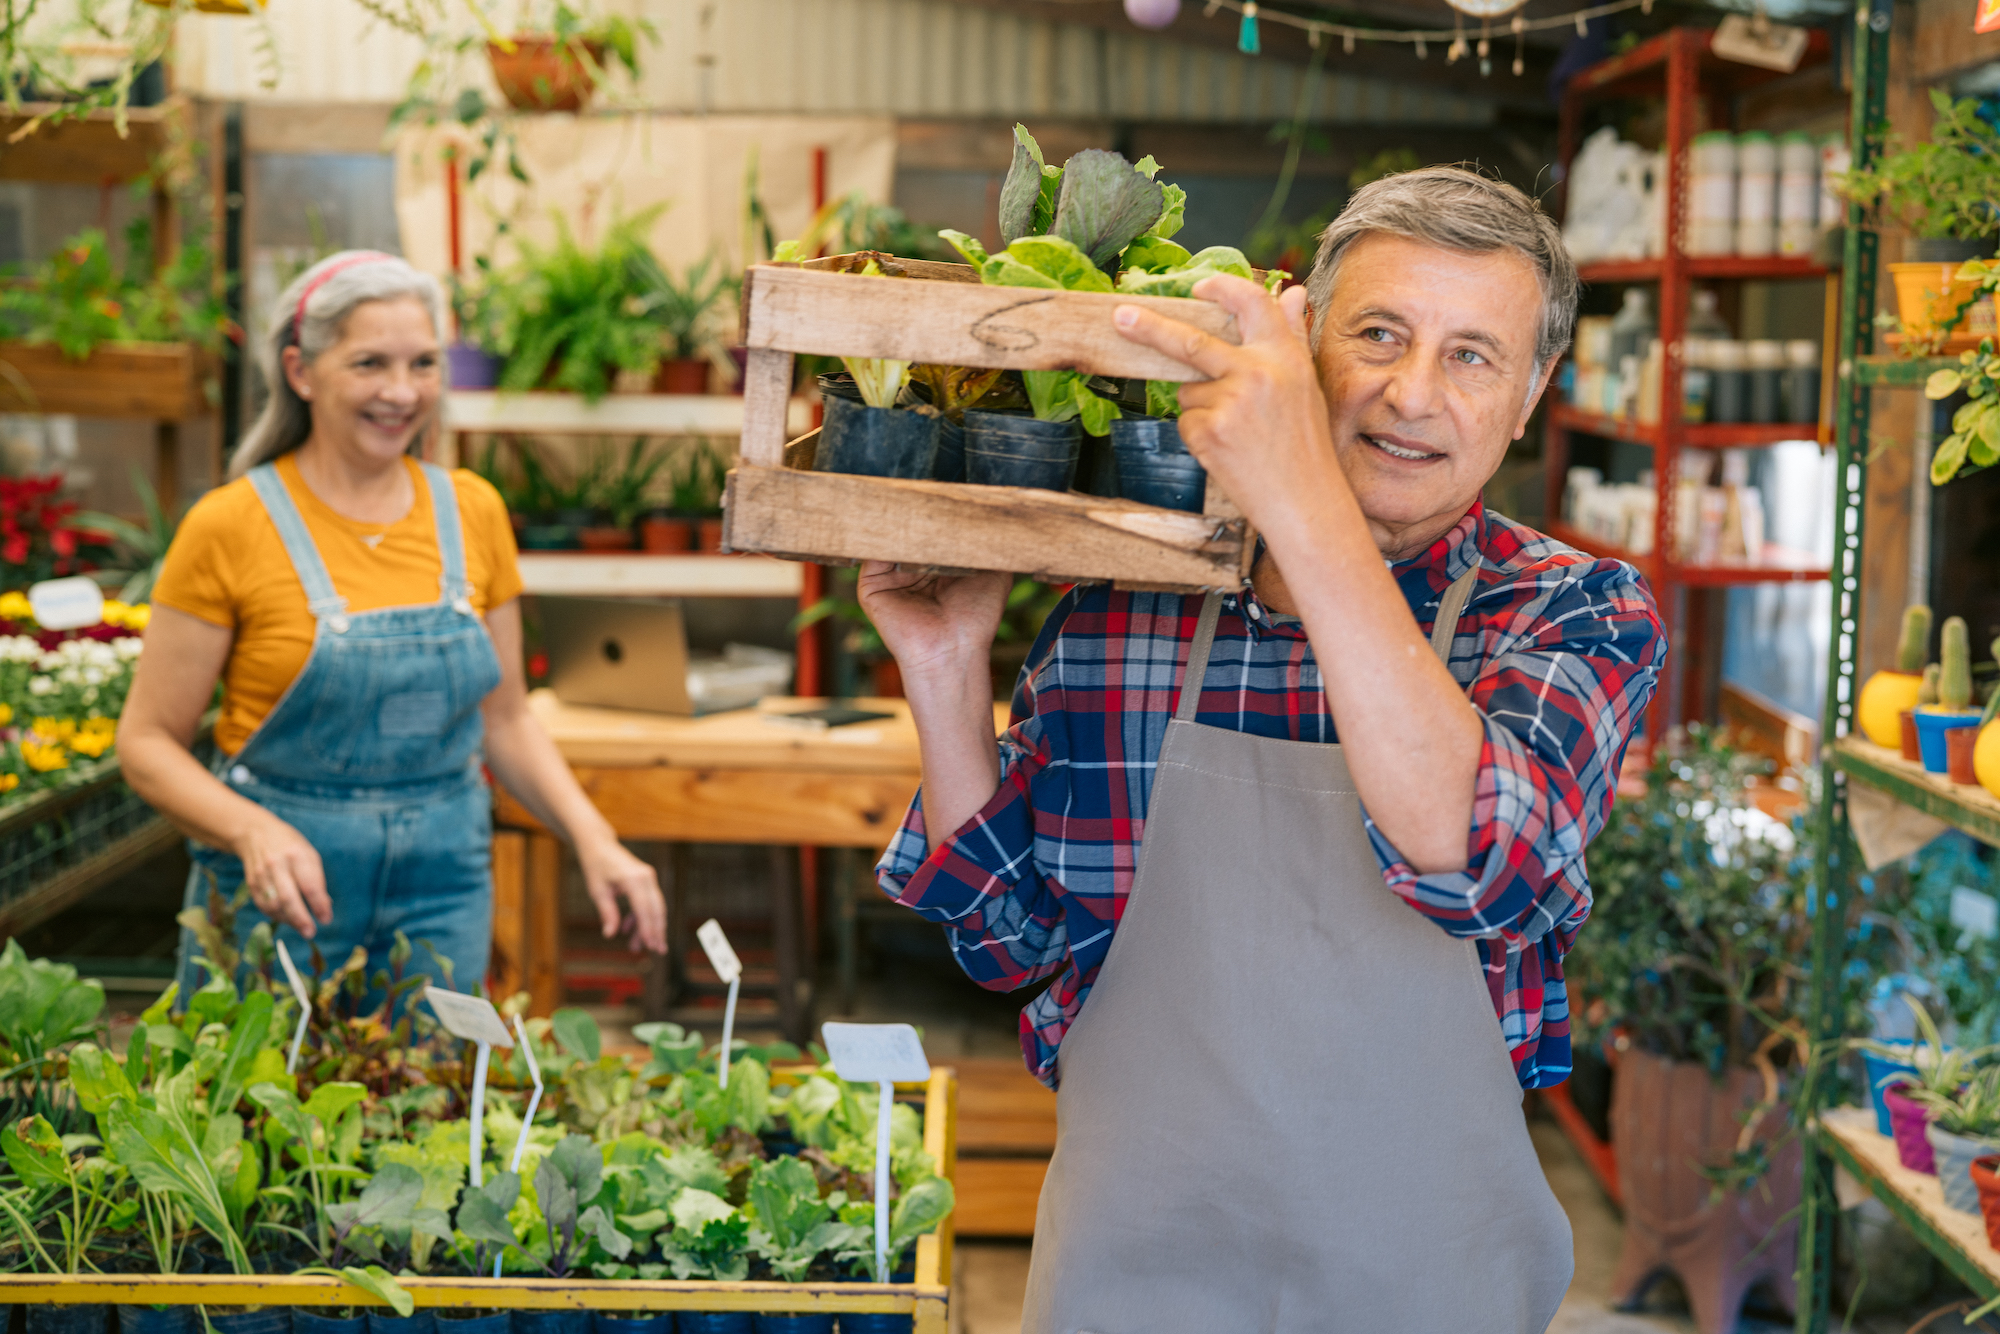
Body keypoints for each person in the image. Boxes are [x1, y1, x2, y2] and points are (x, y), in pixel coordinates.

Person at [862, 169, 1667, 1331]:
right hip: (1132, 1283)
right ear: (1298, 339)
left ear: (1531, 392)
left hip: (1424, 1287)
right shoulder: (1136, 596)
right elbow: (1010, 937)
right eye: (1377, 333)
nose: (1409, 393)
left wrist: (1294, 499)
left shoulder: (1568, 613)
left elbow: (1477, 850)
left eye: (1471, 355)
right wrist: (944, 672)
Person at [123, 250, 666, 1002]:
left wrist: (595, 840)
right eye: (370, 363)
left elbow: (505, 720)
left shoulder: (473, 511)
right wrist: (251, 831)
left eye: (424, 364)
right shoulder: (229, 525)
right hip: (282, 890)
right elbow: (146, 742)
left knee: (437, 1105)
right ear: (301, 371)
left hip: (442, 887)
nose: (402, 392)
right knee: (254, 1107)